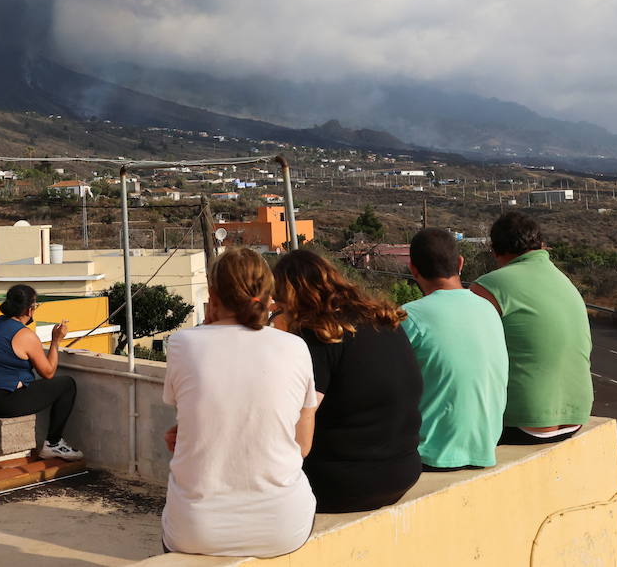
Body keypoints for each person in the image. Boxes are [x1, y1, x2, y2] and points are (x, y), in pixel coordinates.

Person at [161, 249, 318, 557]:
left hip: (197, 530)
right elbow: (301, 445)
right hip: (283, 527)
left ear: (213, 295)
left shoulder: (183, 343)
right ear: (268, 296)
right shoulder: (295, 346)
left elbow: (200, 405)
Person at [272, 248, 422, 513]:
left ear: (289, 299)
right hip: (403, 471)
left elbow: (293, 419)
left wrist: (279, 337)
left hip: (343, 482)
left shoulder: (319, 335)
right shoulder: (383, 320)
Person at [470, 212, 593, 444]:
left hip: (525, 422)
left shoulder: (489, 286)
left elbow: (466, 356)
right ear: (541, 245)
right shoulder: (565, 281)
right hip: (577, 417)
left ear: (495, 251)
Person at [403, 228, 508, 469]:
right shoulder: (488, 309)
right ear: (460, 264)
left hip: (429, 455)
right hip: (486, 447)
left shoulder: (408, 316)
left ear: (413, 269)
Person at [0, 283, 83, 461]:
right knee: (66, 384)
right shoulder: (25, 335)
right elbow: (48, 373)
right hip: (4, 402)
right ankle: (53, 443)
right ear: (30, 310)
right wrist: (56, 341)